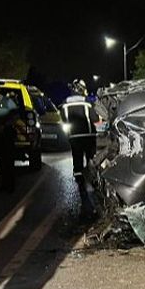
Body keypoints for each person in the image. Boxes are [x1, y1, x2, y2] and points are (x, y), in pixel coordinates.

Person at [60, 78, 98, 217]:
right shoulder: (87, 102)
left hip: (74, 137)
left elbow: (64, 119)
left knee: (77, 162)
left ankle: (81, 185)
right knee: (91, 161)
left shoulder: (65, 104)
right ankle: (93, 184)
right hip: (88, 136)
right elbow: (95, 118)